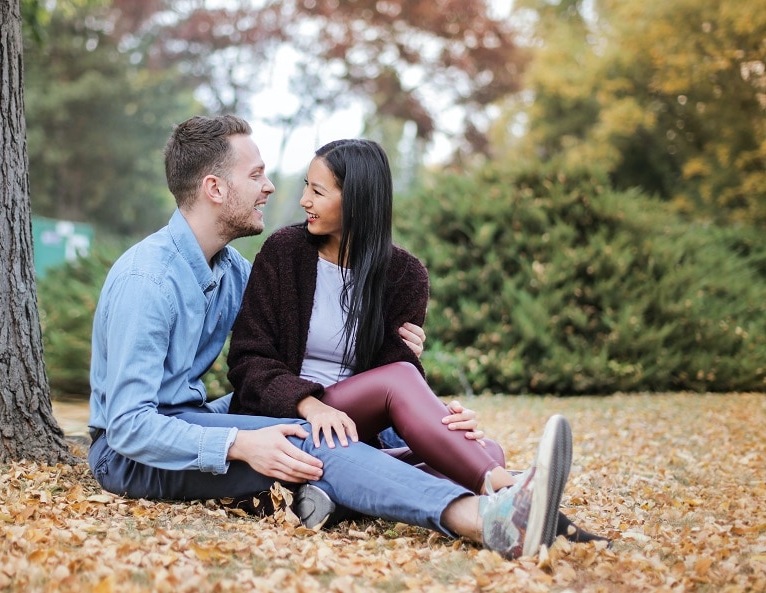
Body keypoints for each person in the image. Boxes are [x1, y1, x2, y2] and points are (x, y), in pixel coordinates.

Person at [87, 114, 574, 560]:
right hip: (129, 454)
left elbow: (289, 338)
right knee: (309, 437)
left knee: (328, 435)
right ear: (214, 187)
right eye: (255, 175)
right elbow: (129, 425)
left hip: (193, 418)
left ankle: (486, 484)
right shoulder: (147, 281)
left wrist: (417, 388)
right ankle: (482, 517)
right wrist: (238, 444)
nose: (272, 188)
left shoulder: (231, 271)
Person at [227, 138, 606, 544]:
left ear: (357, 199)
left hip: (352, 430)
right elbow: (249, 359)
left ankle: (331, 496)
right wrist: (311, 404)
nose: (304, 200)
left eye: (317, 191)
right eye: (307, 186)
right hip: (284, 416)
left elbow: (392, 373)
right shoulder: (285, 252)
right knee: (465, 448)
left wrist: (441, 416)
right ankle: (510, 492)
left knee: (484, 448)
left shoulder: (404, 275)